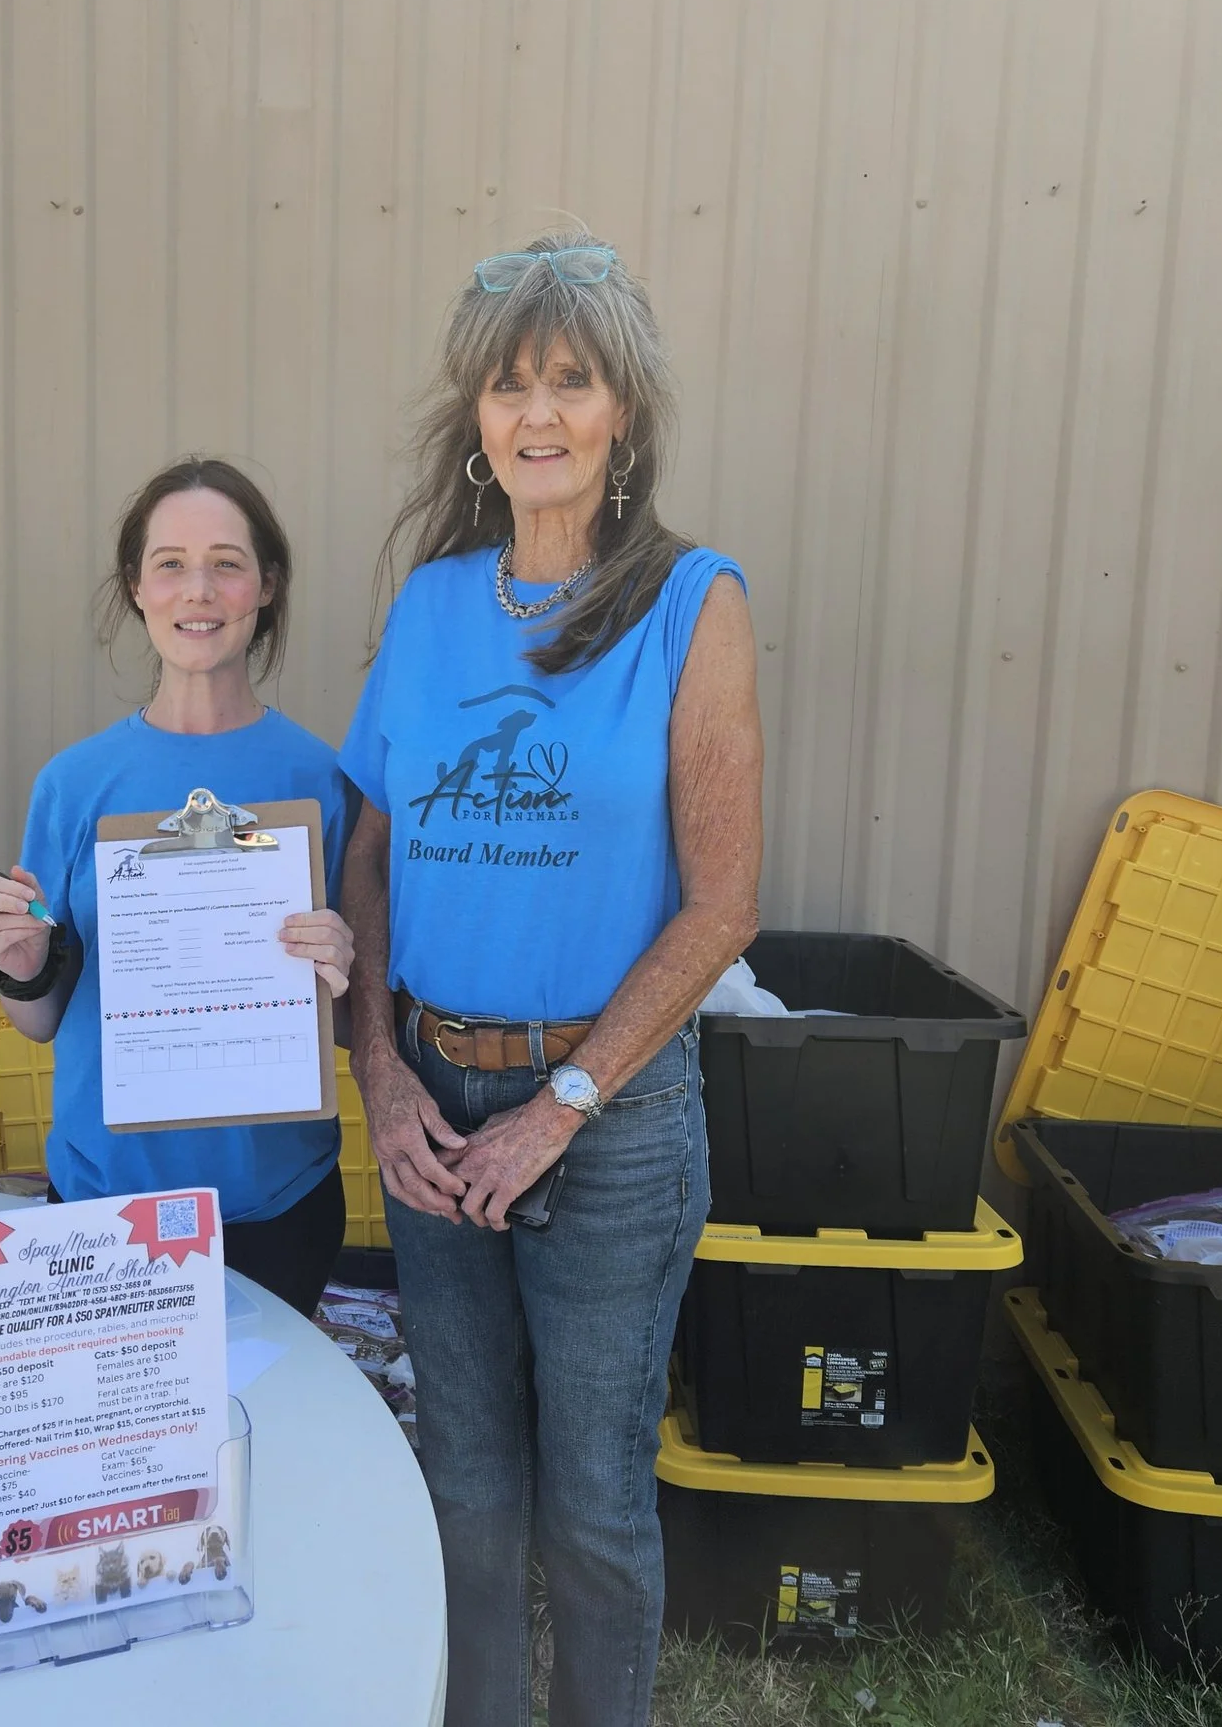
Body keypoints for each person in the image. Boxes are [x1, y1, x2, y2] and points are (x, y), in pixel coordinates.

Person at [340, 234, 763, 1727]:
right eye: (509, 384)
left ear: (623, 416)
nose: (538, 412)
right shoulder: (434, 605)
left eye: (569, 380)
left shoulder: (691, 603)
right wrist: (384, 1076)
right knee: (463, 1475)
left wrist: (567, 1101)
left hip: (610, 1111)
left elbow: (723, 905)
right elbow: (371, 853)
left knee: (590, 1496)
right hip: (434, 1106)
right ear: (477, 422)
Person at [0, 459, 357, 1317]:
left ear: (265, 587)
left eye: (226, 562)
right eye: (171, 564)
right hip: (107, 1203)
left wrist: (343, 971)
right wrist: (19, 962)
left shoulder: (325, 781)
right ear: (136, 589)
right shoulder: (74, 785)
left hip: (276, 1205)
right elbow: (40, 1019)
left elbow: (349, 1032)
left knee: (264, 1442)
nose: (199, 590)